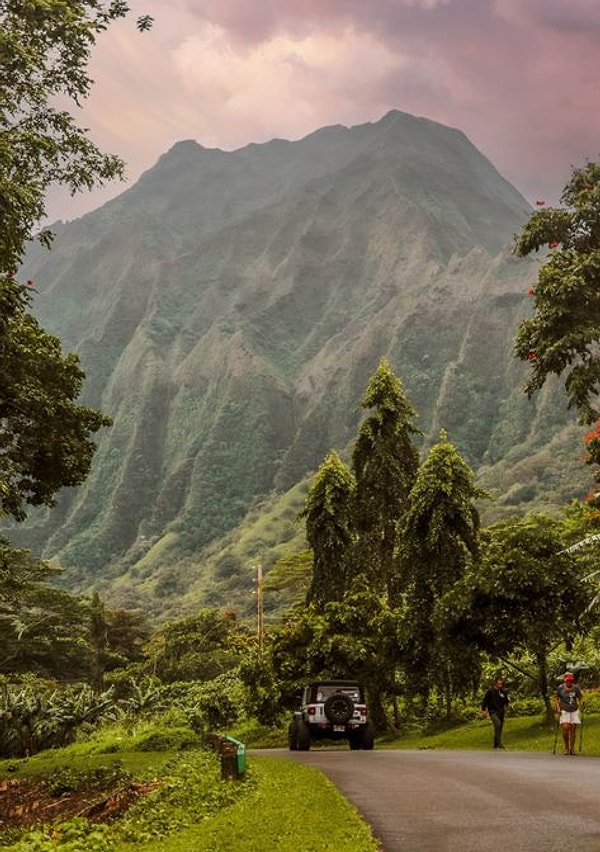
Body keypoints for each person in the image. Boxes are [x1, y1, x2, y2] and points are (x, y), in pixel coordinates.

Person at [555, 672, 584, 755]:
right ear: (565, 681)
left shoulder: (576, 688)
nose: (569, 683)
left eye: (571, 681)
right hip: (564, 710)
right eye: (568, 681)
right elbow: (556, 698)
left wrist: (581, 703)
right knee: (565, 727)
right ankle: (566, 747)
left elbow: (580, 697)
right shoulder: (560, 688)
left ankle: (571, 748)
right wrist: (558, 708)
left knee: (573, 729)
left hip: (574, 710)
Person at [481, 676, 512, 749]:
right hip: (493, 711)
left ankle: (495, 745)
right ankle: (500, 744)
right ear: (495, 683)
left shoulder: (503, 692)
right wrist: (483, 710)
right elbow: (485, 701)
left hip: (501, 711)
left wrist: (509, 705)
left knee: (500, 728)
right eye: (499, 684)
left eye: (501, 684)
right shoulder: (490, 691)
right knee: (497, 724)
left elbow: (507, 701)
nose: (500, 685)